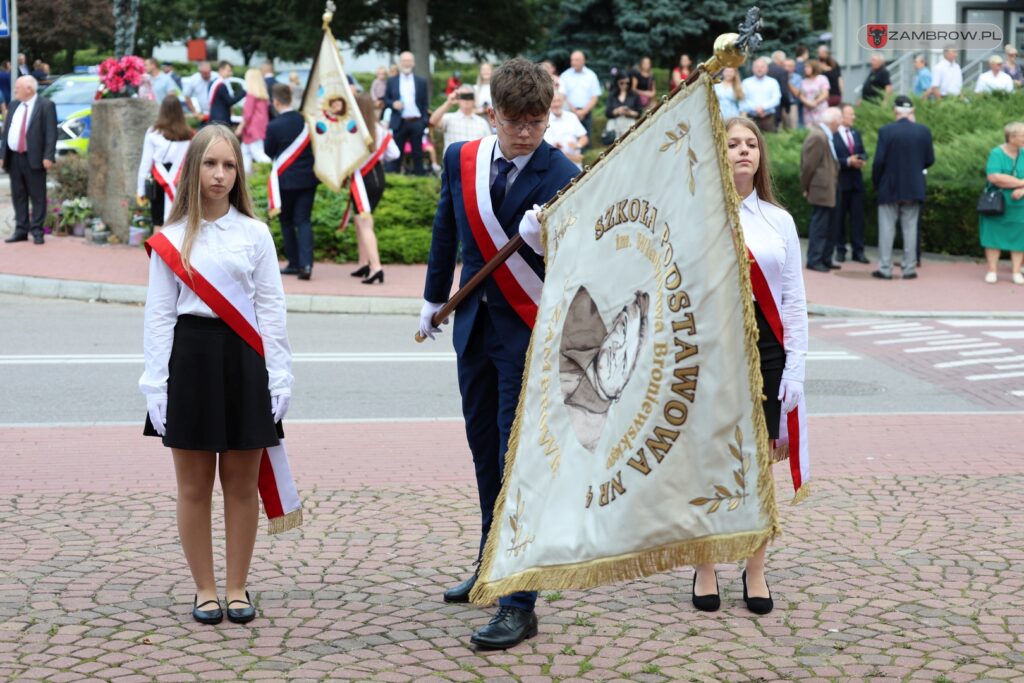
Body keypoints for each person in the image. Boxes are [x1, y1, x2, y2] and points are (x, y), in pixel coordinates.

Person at [419, 57, 578, 650]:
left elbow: (583, 268)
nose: (526, 133)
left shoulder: (565, 172)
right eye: (515, 121)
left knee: (519, 464)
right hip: (473, 331)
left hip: (528, 336)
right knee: (486, 452)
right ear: (492, 114)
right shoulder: (462, 159)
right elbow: (445, 229)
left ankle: (520, 599)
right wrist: (433, 297)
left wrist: (553, 238)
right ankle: (493, 563)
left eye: (536, 121)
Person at [139, 124, 293, 627]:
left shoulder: (255, 234)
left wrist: (279, 374)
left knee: (241, 484)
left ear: (238, 173)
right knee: (193, 486)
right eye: (210, 164)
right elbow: (160, 315)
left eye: (229, 166)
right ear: (193, 169)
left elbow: (271, 307)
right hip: (191, 359)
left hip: (245, 360)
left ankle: (237, 586)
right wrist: (154, 384)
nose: (220, 175)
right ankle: (205, 589)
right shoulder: (171, 238)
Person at [692, 116, 807, 616]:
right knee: (708, 462)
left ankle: (755, 568)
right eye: (733, 143)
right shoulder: (698, 215)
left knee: (759, 466)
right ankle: (704, 564)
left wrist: (797, 371)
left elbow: (794, 302)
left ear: (761, 156)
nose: (744, 151)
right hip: (711, 355)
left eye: (751, 144)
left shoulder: (778, 221)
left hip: (769, 357)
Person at [872, 95, 934, 280]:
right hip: (914, 186)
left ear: (895, 111)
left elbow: (878, 162)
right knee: (910, 228)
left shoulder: (886, 131)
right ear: (911, 111)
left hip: (889, 186)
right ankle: (909, 268)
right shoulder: (923, 131)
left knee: (886, 228)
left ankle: (885, 267)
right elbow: (929, 160)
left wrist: (877, 183)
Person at [264, 84, 319, 280]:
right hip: (308, 179)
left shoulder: (274, 125)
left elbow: (268, 151)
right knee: (303, 221)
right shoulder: (306, 121)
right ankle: (306, 265)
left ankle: (294, 263)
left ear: (276, 102)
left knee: (286, 221)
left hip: (285, 180)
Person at [348, 93, 400, 285]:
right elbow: (395, 153)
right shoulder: (380, 129)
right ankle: (363, 263)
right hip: (378, 176)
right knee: (359, 219)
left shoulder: (353, 130)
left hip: (361, 180)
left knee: (364, 222)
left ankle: (376, 267)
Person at [1, 76, 57, 245]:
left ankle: (37, 231)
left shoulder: (45, 105)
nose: (15, 90)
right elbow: (6, 132)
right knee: (18, 195)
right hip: (14, 157)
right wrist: (2, 155)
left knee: (37, 196)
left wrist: (48, 156)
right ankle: (21, 230)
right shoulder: (13, 105)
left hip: (35, 158)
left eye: (18, 87)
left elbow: (51, 133)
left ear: (29, 89)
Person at [137, 95, 193, 230]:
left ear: (162, 110)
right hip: (181, 181)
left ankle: (157, 251)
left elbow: (146, 163)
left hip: (158, 182)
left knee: (158, 223)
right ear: (180, 111)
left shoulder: (153, 132)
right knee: (181, 224)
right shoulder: (189, 134)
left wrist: (141, 190)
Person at [979, 122, 1024, 284]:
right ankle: (992, 271)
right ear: (1011, 138)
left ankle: (1016, 272)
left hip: (1020, 204)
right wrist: (1020, 182)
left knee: (1020, 237)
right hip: (996, 203)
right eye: (1023, 136)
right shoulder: (996, 153)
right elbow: (995, 177)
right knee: (993, 236)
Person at [800, 106, 841, 272]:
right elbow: (808, 165)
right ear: (832, 122)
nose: (840, 125)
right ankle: (814, 259)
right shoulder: (818, 136)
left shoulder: (824, 135)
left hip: (827, 188)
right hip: (820, 189)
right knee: (820, 225)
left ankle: (824, 258)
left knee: (828, 225)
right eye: (838, 121)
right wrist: (806, 186)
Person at [832, 104, 869, 264]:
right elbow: (831, 160)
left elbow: (863, 151)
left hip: (856, 183)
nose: (853, 117)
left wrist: (862, 159)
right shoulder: (833, 136)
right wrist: (848, 161)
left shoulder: (856, 133)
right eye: (850, 114)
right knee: (839, 218)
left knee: (858, 219)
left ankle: (858, 251)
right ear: (841, 117)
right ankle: (840, 250)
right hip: (841, 183)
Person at [384, 51, 430, 175]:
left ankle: (420, 180)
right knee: (397, 153)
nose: (406, 63)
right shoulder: (392, 81)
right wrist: (393, 104)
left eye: (409, 60)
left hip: (416, 121)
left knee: (418, 153)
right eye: (404, 61)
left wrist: (424, 121)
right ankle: (395, 179)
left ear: (413, 63)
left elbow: (425, 103)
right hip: (400, 121)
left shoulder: (421, 81)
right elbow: (386, 100)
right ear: (400, 63)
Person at [429, 84, 492, 156]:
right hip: (453, 164)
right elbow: (432, 121)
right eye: (463, 96)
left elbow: (488, 147)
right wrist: (448, 103)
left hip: (475, 164)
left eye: (469, 97)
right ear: (458, 98)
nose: (466, 100)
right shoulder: (449, 118)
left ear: (474, 100)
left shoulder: (482, 123)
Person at [559, 51, 602, 148]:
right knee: (569, 140)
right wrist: (574, 111)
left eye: (576, 60)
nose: (573, 62)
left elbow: (594, 97)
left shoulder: (591, 75)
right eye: (572, 60)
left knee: (586, 140)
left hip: (586, 114)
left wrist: (583, 112)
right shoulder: (564, 76)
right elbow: (562, 96)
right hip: (569, 113)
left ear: (583, 61)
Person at [237, 68, 271, 173]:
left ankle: (273, 169)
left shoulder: (251, 95)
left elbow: (247, 115)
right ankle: (246, 177)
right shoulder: (263, 95)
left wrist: (240, 127)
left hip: (251, 129)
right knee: (245, 153)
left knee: (257, 154)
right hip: (259, 128)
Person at [545, 91, 588, 169]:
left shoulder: (572, 117)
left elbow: (584, 137)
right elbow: (549, 147)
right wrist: (574, 158)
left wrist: (578, 145)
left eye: (559, 101)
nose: (556, 104)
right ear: (549, 103)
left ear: (563, 102)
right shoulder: (545, 120)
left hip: (576, 164)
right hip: (556, 164)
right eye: (554, 101)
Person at [740, 58, 782, 133]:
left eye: (762, 67)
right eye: (757, 67)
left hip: (769, 118)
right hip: (751, 118)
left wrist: (763, 108)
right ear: (753, 68)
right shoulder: (746, 82)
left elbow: (776, 99)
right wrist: (756, 109)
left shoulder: (773, 82)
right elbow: (743, 99)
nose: (759, 69)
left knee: (770, 141)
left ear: (766, 69)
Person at [603, 71, 642, 143]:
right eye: (622, 83)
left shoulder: (634, 95)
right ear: (617, 82)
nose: (625, 85)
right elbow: (607, 113)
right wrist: (617, 111)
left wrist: (630, 112)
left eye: (627, 83)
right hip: (615, 125)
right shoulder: (612, 95)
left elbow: (639, 112)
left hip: (629, 124)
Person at [207, 61, 245, 126]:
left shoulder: (213, 82)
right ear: (221, 70)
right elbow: (230, 101)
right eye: (229, 71)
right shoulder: (221, 85)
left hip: (214, 115)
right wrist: (244, 92)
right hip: (221, 118)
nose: (230, 74)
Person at [798, 60, 830, 127]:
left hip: (820, 109)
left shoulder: (822, 78)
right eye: (805, 67)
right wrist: (808, 103)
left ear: (814, 68)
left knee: (822, 128)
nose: (805, 69)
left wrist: (815, 102)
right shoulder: (803, 81)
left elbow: (825, 93)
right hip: (808, 111)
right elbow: (801, 95)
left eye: (808, 67)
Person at [767, 51, 792, 130]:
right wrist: (787, 106)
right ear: (779, 59)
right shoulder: (782, 71)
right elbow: (784, 91)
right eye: (783, 60)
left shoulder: (765, 68)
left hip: (759, 107)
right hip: (776, 107)